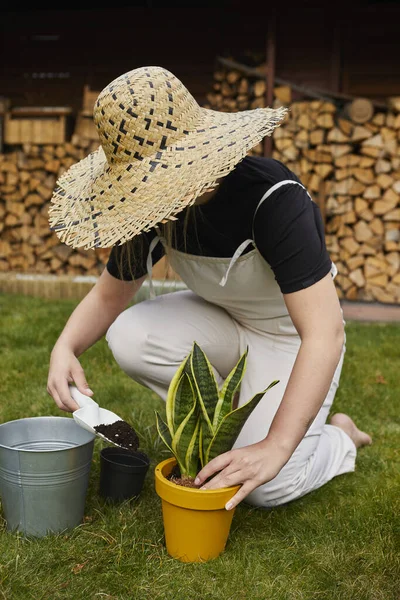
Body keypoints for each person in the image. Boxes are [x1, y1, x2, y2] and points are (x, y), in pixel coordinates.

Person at [47, 66, 371, 511]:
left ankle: (340, 438)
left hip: (293, 338)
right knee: (129, 334)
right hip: (223, 323)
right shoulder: (147, 205)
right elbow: (109, 295)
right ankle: (237, 419)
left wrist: (275, 447)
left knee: (268, 487)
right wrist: (65, 347)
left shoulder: (272, 197)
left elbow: (324, 333)